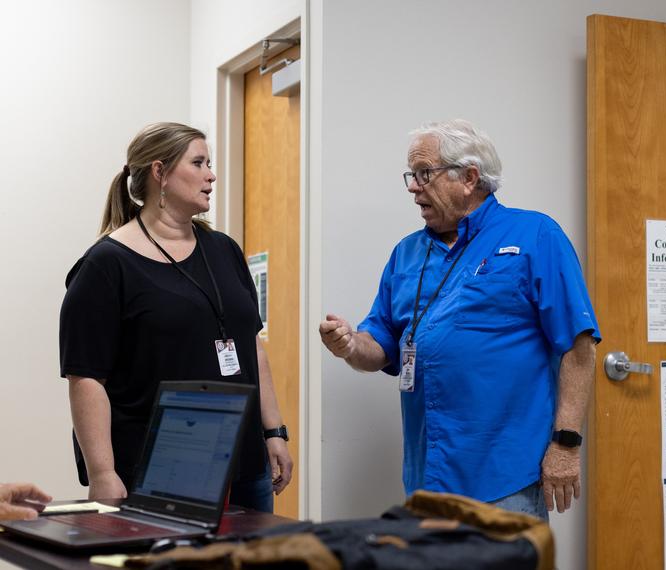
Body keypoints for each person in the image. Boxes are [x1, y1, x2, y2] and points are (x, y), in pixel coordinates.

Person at [319, 119, 599, 520]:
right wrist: (350, 345)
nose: (414, 187)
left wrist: (566, 443)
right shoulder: (407, 253)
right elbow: (379, 344)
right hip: (427, 478)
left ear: (469, 177)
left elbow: (578, 344)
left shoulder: (536, 234)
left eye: (424, 174)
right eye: (411, 175)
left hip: (504, 476)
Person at [59, 123, 292, 512]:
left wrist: (274, 433)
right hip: (159, 469)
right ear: (160, 173)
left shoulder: (224, 250)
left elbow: (252, 346)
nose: (211, 174)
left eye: (210, 163)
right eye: (198, 163)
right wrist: (102, 472)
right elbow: (86, 377)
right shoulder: (106, 265)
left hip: (244, 461)